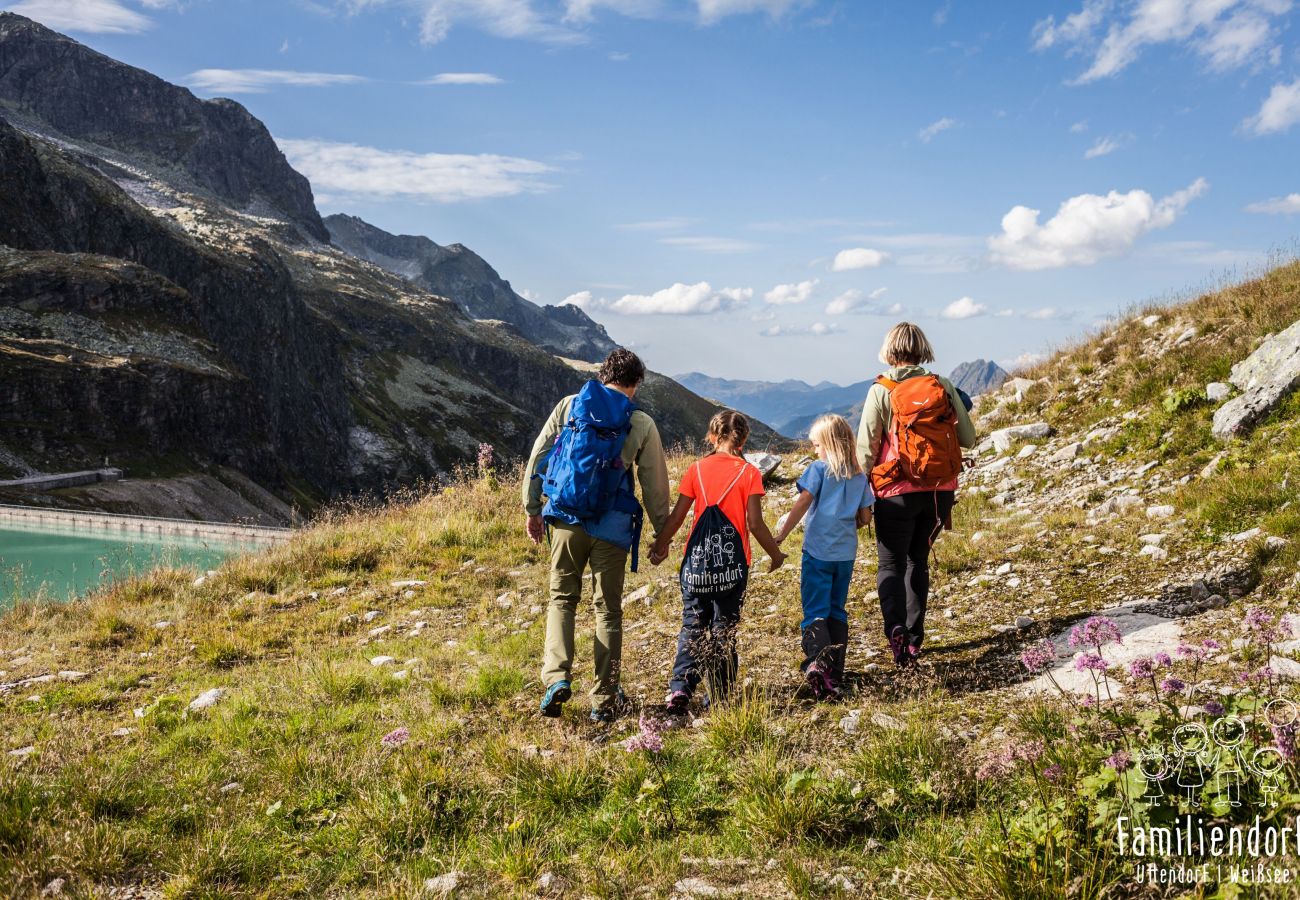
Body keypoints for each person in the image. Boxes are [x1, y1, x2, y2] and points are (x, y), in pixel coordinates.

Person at [523, 349, 671, 722]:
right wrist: (662, 533)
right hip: (612, 527)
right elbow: (654, 485)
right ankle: (604, 698)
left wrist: (532, 507)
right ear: (635, 384)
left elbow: (540, 455)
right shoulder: (640, 421)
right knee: (608, 610)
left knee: (562, 600)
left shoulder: (570, 406)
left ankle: (557, 678)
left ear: (603, 374)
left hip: (566, 519)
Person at [649, 411, 785, 715]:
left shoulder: (696, 470)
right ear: (744, 438)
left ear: (712, 436)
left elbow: (678, 516)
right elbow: (755, 524)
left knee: (692, 625)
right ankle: (720, 698)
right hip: (733, 570)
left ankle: (680, 688)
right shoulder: (749, 473)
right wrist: (775, 555)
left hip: (696, 568)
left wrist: (660, 546)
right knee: (724, 630)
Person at [856, 323, 976, 668]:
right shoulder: (943, 385)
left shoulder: (881, 390)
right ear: (923, 349)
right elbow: (967, 438)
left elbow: (866, 449)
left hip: (896, 491)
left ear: (889, 351)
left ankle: (895, 631)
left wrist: (857, 492)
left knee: (891, 563)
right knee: (918, 561)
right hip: (940, 491)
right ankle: (914, 638)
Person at [773, 414, 874, 700]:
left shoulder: (818, 470)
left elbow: (804, 501)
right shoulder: (859, 475)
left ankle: (818, 663)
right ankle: (835, 675)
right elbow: (866, 516)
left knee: (815, 609)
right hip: (845, 554)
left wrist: (782, 533)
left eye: (816, 444)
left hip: (817, 551)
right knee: (836, 609)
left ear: (828, 445)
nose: (815, 449)